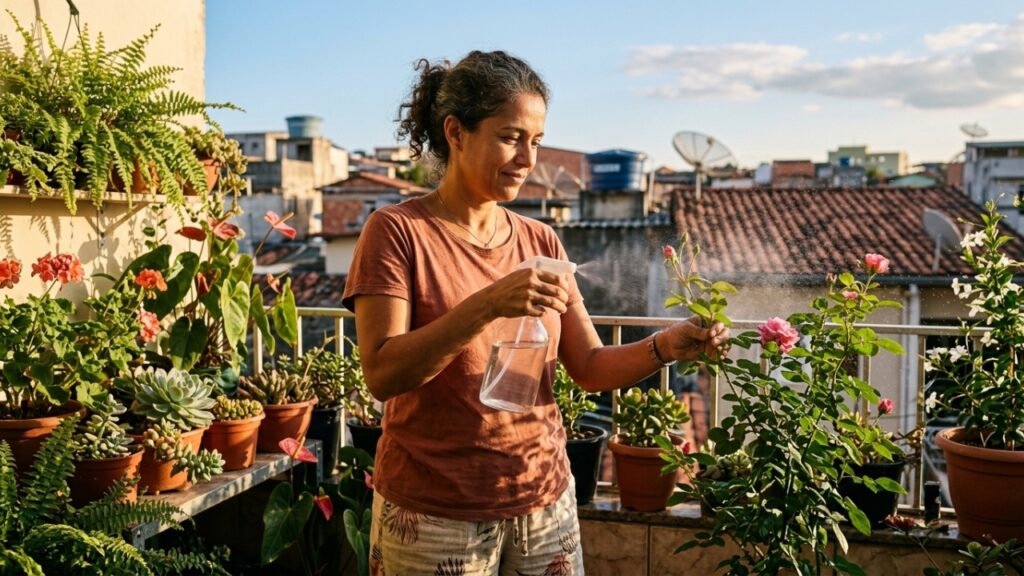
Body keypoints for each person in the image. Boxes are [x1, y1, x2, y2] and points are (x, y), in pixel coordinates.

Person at [342, 50, 729, 576]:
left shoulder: (539, 238)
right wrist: (489, 303)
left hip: (544, 501)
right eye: (510, 137)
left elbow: (589, 366)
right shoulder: (396, 233)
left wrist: (666, 346)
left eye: (537, 141)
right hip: (436, 511)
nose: (528, 158)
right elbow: (383, 373)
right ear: (456, 133)